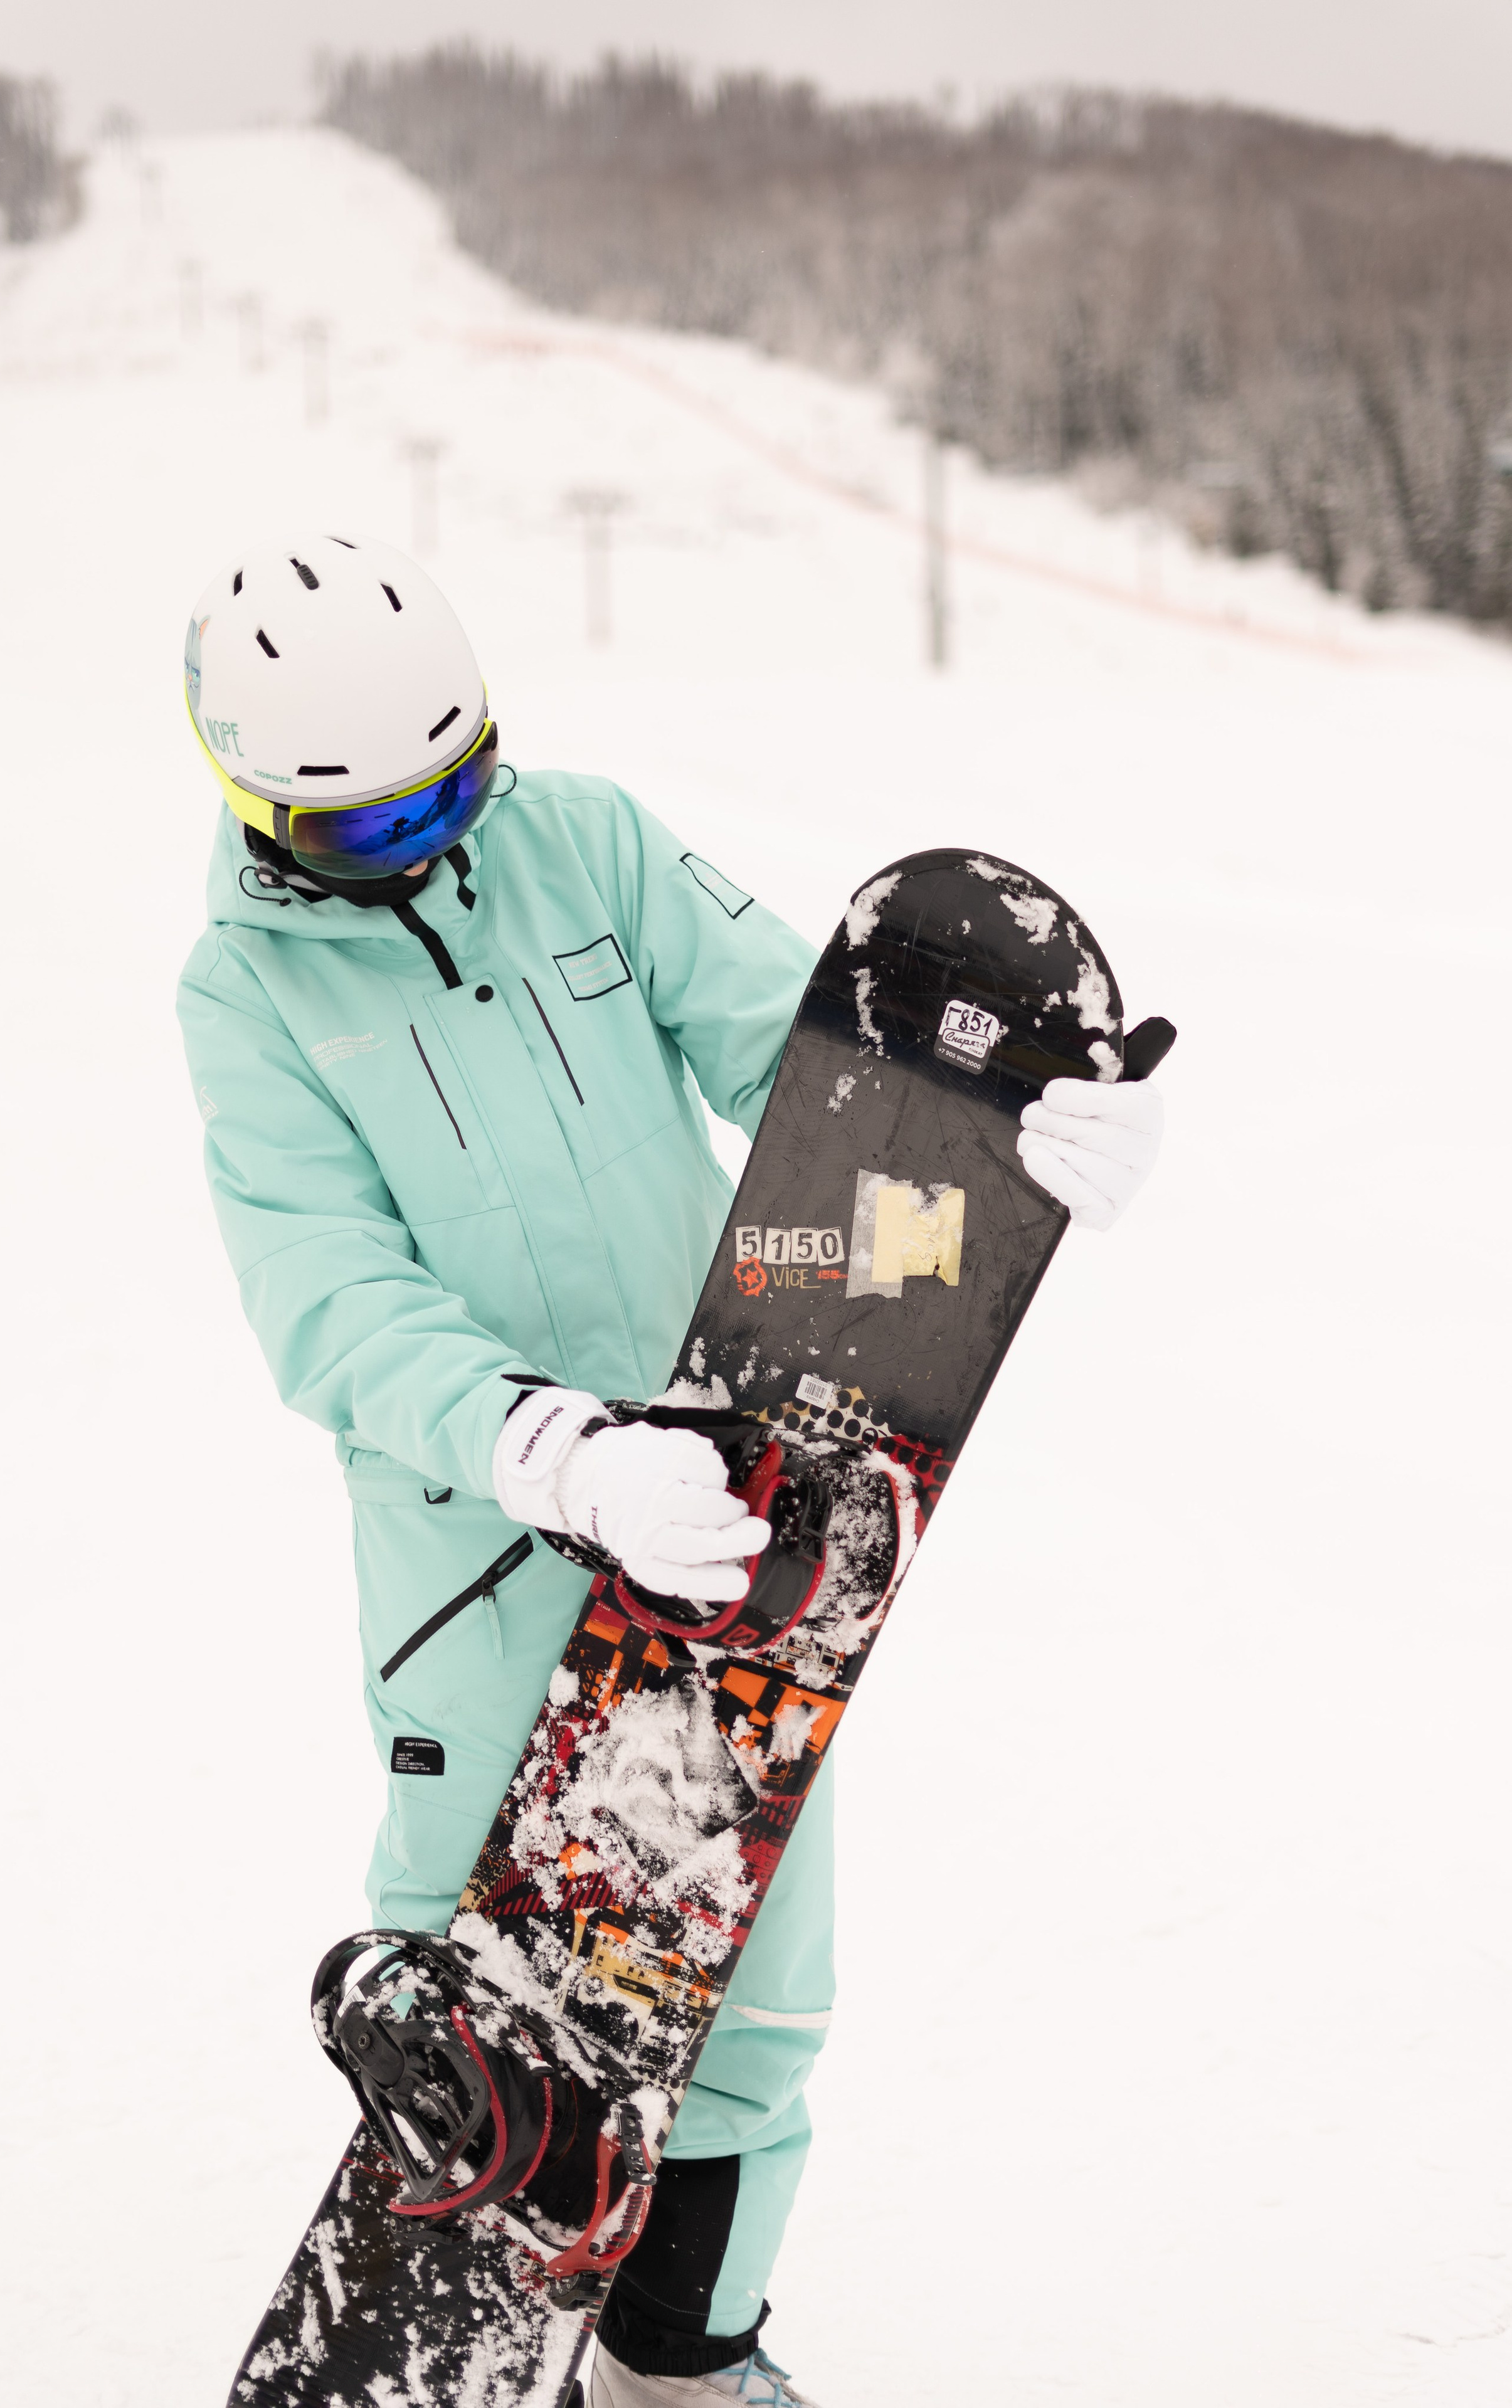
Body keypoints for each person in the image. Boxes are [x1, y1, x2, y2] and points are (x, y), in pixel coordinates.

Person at [176, 534, 1164, 2408]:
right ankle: (467, 2296)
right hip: (487, 1546)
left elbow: (810, 1066)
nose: (429, 846)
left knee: (759, 1990)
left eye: (453, 791)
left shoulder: (590, 846)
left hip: (731, 1526)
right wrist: (549, 1445)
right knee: (498, 1988)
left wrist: (1021, 1135)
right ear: (258, 810)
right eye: (364, 831)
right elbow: (328, 1301)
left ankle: (681, 2365)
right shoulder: (244, 997)